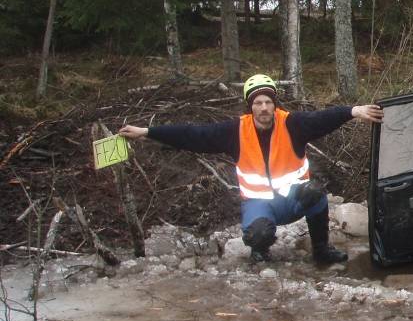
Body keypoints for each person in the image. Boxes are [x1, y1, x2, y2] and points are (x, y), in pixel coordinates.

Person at [118, 74, 383, 266]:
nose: (264, 108)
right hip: (259, 205)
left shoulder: (291, 123)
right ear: (250, 106)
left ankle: (321, 249)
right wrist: (147, 132)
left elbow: (322, 118)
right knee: (258, 232)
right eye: (258, 103)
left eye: (268, 102)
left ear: (275, 104)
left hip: (291, 200)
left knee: (316, 193)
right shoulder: (235, 131)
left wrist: (354, 111)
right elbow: (193, 134)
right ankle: (260, 252)